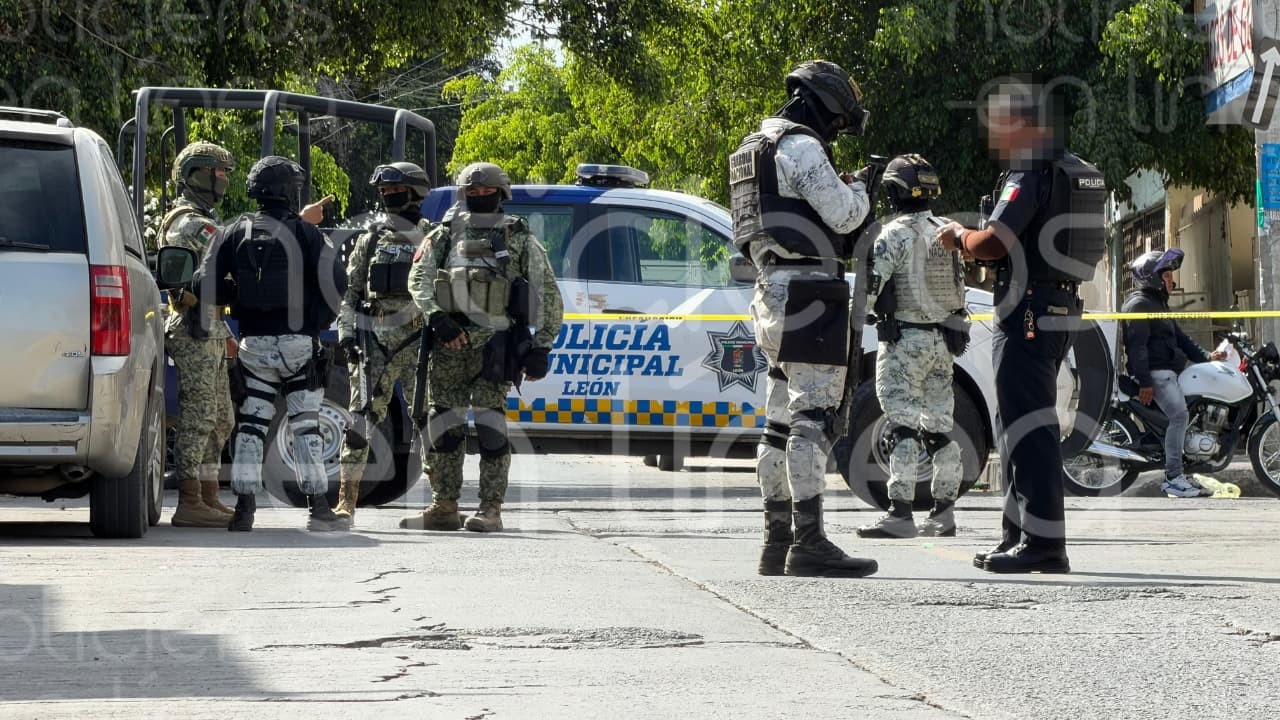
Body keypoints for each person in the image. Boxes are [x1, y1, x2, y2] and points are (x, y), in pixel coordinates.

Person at [935, 79, 1107, 573]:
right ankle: (1018, 536)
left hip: (1028, 310)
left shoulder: (1031, 169)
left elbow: (994, 243)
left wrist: (959, 236)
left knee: (1028, 428)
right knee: (1015, 426)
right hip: (1053, 306)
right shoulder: (1066, 167)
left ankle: (1044, 545)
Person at [728, 60, 879, 577]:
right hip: (809, 291)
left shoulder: (751, 148)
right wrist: (863, 188)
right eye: (839, 120)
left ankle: (776, 542)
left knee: (776, 423)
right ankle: (810, 541)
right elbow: (843, 215)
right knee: (813, 418)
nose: (838, 130)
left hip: (769, 288)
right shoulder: (800, 146)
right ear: (827, 103)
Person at [400, 161, 563, 533]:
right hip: (449, 345)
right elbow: (419, 278)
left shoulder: (519, 238)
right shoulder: (444, 235)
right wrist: (437, 317)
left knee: (491, 430)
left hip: (495, 345)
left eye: (485, 192)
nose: (478, 197)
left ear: (501, 193)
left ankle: (491, 509)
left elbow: (549, 294)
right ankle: (444, 505)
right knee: (444, 429)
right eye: (470, 193)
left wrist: (542, 346)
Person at [194, 155, 348, 532]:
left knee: (250, 427)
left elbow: (203, 285)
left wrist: (238, 294)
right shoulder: (309, 234)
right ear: (289, 192)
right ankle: (320, 510)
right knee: (306, 426)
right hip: (300, 346)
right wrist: (316, 322)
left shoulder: (234, 230)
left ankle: (244, 510)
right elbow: (337, 283)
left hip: (253, 346)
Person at [856, 154, 967, 539]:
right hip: (943, 341)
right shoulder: (949, 230)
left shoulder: (894, 234)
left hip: (905, 341)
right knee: (939, 429)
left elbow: (869, 290)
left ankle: (900, 512)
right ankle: (944, 512)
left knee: (900, 426)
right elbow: (958, 288)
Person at [334, 162, 436, 523]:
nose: (390, 197)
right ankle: (346, 501)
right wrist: (347, 332)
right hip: (374, 344)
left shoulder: (433, 238)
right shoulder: (371, 238)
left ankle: (441, 501)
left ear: (416, 193)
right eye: (385, 192)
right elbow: (352, 293)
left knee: (430, 421)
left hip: (419, 342)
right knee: (360, 423)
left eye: (397, 191)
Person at [162, 141, 239, 528]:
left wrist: (223, 328)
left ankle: (208, 494)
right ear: (198, 175)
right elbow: (181, 280)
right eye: (219, 172)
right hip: (193, 327)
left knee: (221, 417)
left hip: (210, 326)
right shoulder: (189, 223)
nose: (224, 179)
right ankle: (189, 500)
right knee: (199, 415)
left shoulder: (203, 219)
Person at [1123, 248, 1225, 497]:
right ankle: (1173, 478)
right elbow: (1137, 348)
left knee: (1192, 411)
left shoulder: (1157, 304)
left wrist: (1206, 358)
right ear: (1152, 277)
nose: (1172, 280)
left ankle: (1184, 469)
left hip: (1169, 371)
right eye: (1166, 275)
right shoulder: (1139, 305)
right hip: (1156, 373)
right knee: (1179, 416)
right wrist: (1145, 381)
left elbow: (1181, 338)